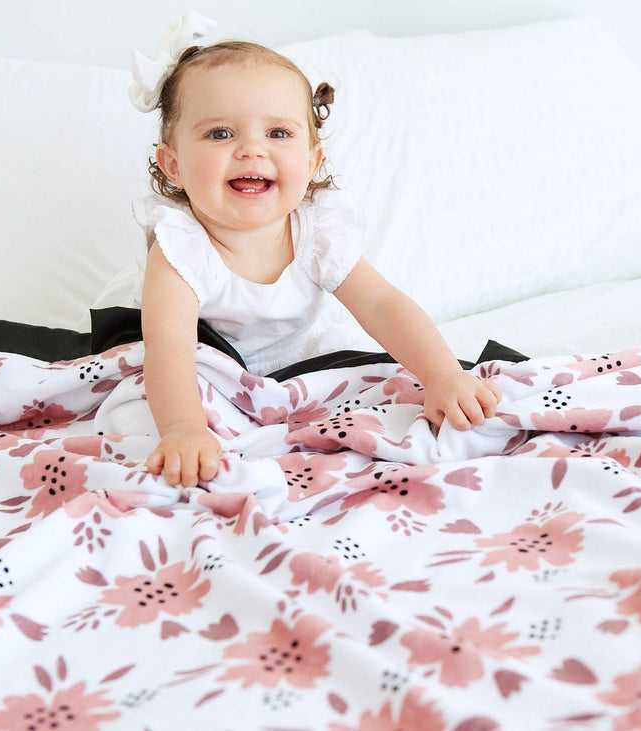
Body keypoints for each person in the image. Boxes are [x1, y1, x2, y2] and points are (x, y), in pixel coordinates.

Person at [130, 13, 501, 488]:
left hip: (299, 367)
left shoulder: (317, 233)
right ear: (173, 165)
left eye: (278, 133)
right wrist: (183, 428)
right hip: (198, 377)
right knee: (133, 413)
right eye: (220, 133)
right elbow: (170, 345)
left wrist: (443, 375)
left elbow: (382, 304)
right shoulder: (180, 247)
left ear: (311, 162)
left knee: (381, 398)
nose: (251, 150)